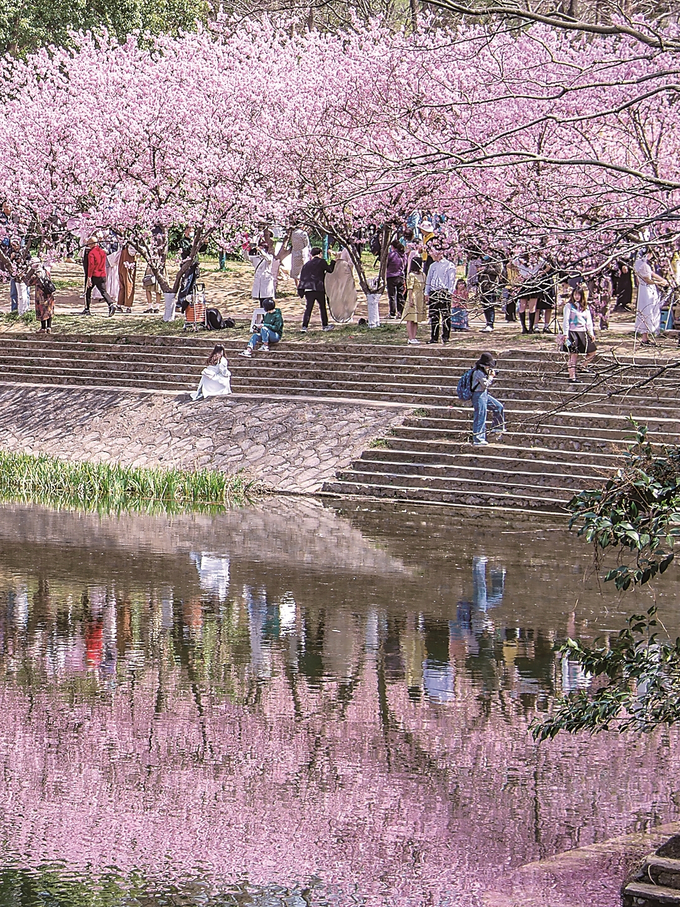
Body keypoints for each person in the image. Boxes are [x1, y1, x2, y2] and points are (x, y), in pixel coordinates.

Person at [297, 246, 335, 333]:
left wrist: (301, 290)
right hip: (318, 288)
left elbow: (302, 277)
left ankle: (304, 327)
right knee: (322, 307)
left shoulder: (306, 264)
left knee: (309, 308)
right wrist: (333, 262)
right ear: (320, 254)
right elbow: (330, 270)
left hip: (308, 289)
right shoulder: (321, 262)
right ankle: (325, 325)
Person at [562, 286, 597, 382]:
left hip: (583, 332)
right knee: (573, 355)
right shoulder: (569, 306)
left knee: (592, 351)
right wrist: (565, 334)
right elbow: (566, 320)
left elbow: (588, 321)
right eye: (575, 294)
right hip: (573, 332)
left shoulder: (585, 307)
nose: (577, 297)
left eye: (579, 295)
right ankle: (572, 376)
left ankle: (583, 366)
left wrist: (591, 333)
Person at [471, 352, 505, 447]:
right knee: (480, 415)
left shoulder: (483, 371)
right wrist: (491, 377)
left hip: (483, 394)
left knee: (498, 406)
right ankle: (478, 439)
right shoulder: (478, 372)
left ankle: (497, 426)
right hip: (478, 395)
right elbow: (485, 384)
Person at [424, 245, 456, 343]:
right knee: (434, 316)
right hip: (434, 291)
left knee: (445, 316)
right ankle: (434, 337)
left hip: (444, 291)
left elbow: (451, 280)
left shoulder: (449, 265)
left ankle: (446, 336)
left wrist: (449, 292)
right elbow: (429, 279)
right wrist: (427, 292)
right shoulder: (432, 265)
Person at [635, 250, 666, 345]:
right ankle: (645, 336)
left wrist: (662, 279)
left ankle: (647, 336)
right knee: (647, 310)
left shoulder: (645, 265)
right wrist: (659, 283)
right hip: (646, 290)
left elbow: (651, 273)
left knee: (652, 310)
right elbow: (647, 279)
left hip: (648, 289)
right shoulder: (641, 264)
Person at [83, 236, 116, 316]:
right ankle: (111, 304)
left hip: (94, 275)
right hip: (102, 274)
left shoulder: (91, 253)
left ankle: (87, 308)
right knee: (103, 291)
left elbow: (91, 266)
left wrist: (89, 277)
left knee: (88, 291)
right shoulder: (102, 252)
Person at [402, 258, 427, 343]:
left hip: (420, 296)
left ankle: (414, 336)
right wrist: (411, 299)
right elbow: (410, 288)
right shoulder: (411, 275)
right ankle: (410, 337)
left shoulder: (423, 275)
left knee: (416, 319)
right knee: (410, 318)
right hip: (413, 296)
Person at [476, 255, 502, 332]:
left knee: (490, 305)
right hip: (482, 286)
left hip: (491, 286)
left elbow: (498, 271)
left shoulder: (496, 258)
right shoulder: (483, 259)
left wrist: (485, 269)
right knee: (485, 306)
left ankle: (490, 324)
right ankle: (487, 323)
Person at [386, 240, 406, 318]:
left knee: (392, 296)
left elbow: (386, 264)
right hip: (401, 276)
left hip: (391, 276)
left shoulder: (391, 255)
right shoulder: (403, 255)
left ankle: (392, 312)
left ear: (393, 247)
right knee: (400, 295)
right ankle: (401, 312)